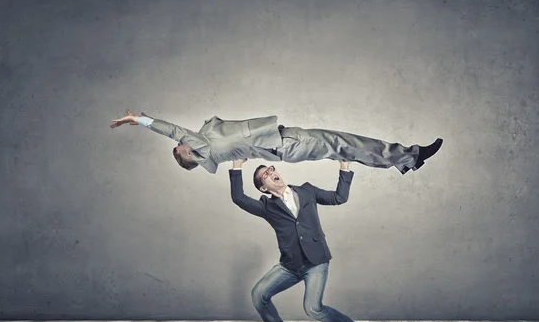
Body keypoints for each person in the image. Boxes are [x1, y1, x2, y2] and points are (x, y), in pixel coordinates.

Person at [229, 158, 360, 322]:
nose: (271, 173)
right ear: (263, 188)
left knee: (313, 308)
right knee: (259, 294)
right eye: (264, 175)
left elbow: (338, 198)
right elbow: (238, 198)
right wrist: (237, 165)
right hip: (290, 265)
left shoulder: (307, 190)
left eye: (271, 169)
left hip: (316, 262)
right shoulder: (267, 206)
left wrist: (344, 167)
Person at [110, 110, 443, 175]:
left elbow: (182, 135)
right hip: (286, 144)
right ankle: (408, 157)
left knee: (345, 145)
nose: (182, 143)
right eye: (181, 149)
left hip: (284, 142)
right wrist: (140, 120)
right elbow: (174, 131)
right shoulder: (203, 149)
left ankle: (406, 159)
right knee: (345, 144)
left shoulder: (208, 148)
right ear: (189, 155)